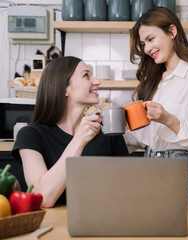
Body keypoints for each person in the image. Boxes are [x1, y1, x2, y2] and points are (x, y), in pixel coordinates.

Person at [126, 7, 188, 205]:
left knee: (182, 234)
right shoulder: (152, 80)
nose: (147, 48)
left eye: (151, 39)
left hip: (183, 171)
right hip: (149, 168)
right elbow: (144, 137)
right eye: (143, 44)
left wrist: (168, 119)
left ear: (172, 31)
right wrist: (120, 127)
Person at [12, 56, 129, 208]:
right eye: (86, 75)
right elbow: (43, 198)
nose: (97, 81)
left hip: (104, 223)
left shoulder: (108, 132)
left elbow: (128, 190)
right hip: (52, 228)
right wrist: (79, 140)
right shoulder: (30, 135)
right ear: (65, 88)